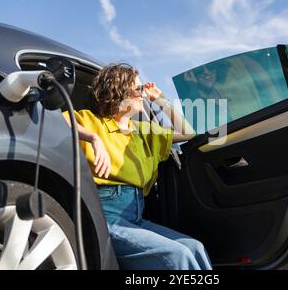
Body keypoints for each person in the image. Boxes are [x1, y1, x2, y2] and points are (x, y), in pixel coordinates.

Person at [62, 63, 212, 270]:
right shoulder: (89, 120)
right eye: (138, 89)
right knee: (177, 255)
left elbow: (188, 133)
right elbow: (58, 121)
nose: (142, 94)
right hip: (104, 215)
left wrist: (160, 100)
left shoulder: (143, 130)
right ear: (119, 91)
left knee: (194, 247)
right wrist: (94, 138)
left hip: (135, 216)